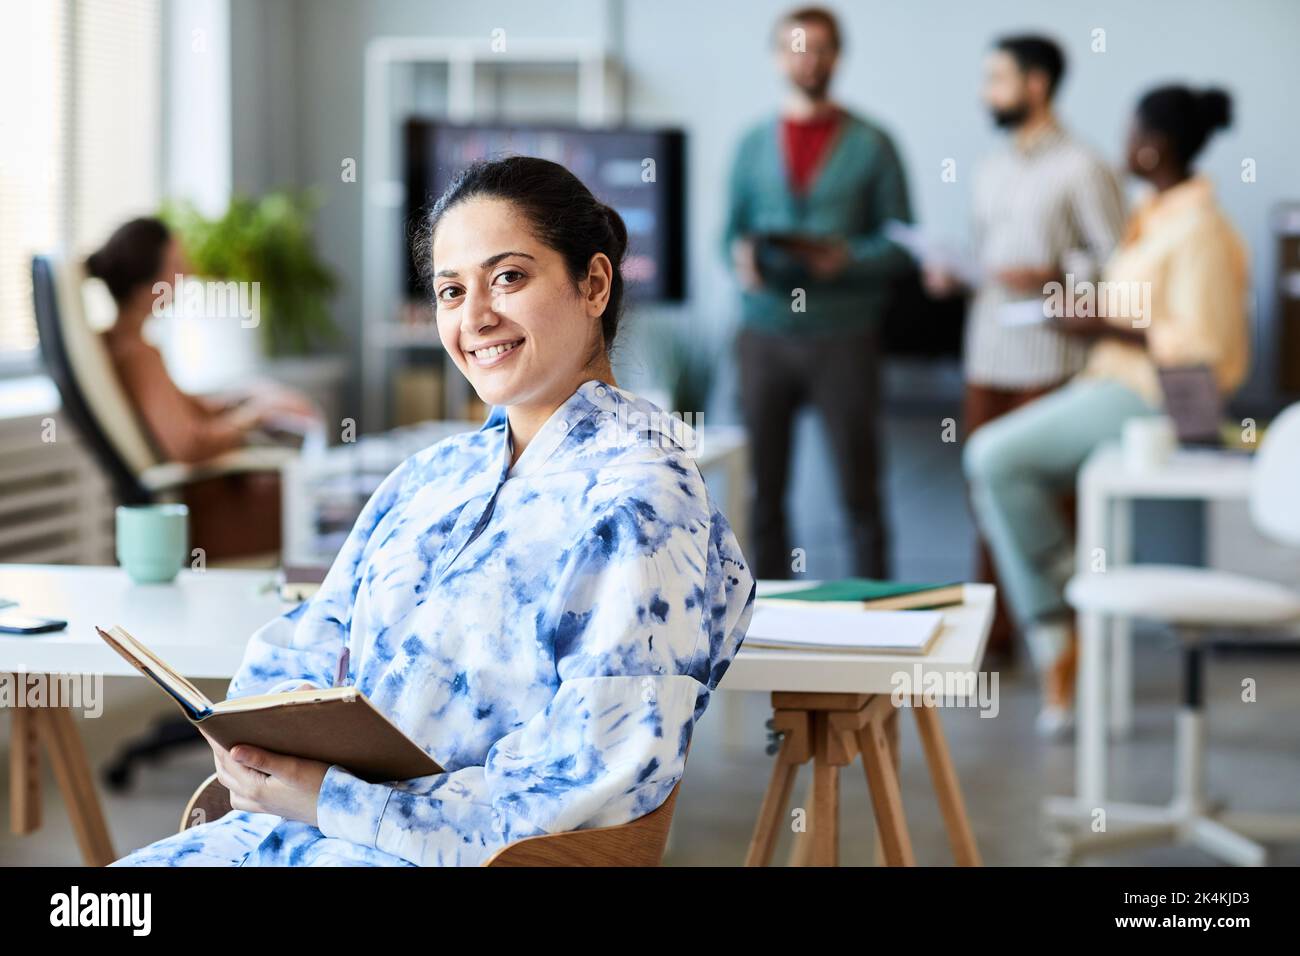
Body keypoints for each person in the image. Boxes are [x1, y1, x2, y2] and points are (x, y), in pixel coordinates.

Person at [111, 156, 756, 866]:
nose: (475, 317)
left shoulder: (643, 501)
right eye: (452, 290)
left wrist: (332, 797)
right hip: (280, 834)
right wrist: (255, 751)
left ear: (593, 284)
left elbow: (586, 778)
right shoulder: (428, 478)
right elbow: (301, 644)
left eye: (508, 277)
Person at [963, 85, 1248, 737]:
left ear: (1154, 146)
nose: (1120, 145)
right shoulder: (1153, 216)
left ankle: (1063, 619)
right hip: (1108, 385)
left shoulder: (1200, 229)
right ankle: (1067, 622)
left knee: (994, 456)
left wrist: (1104, 327)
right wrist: (1089, 318)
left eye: (1128, 132)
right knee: (995, 471)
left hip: (1150, 399)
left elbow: (1208, 347)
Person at [926, 35, 1126, 665]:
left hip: (1052, 361)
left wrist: (1054, 274)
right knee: (984, 495)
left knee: (1045, 504)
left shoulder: (1084, 166)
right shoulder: (991, 167)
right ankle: (996, 636)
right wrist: (953, 272)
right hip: (987, 354)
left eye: (998, 79)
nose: (988, 93)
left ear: (1036, 84)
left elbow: (1117, 264)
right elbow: (987, 258)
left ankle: (1067, 645)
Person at [723, 5, 913, 581]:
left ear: (838, 56)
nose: (809, 58)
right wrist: (739, 257)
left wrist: (848, 257)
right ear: (780, 56)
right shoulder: (752, 143)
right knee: (764, 493)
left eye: (821, 47)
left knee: (861, 492)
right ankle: (772, 623)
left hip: (845, 334)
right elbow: (728, 234)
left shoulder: (874, 144)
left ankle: (880, 621)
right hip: (764, 334)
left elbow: (904, 244)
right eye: (797, 47)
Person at [88, 218, 320, 558]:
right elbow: (188, 444)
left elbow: (186, 409)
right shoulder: (139, 355)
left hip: (209, 498)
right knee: (330, 499)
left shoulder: (127, 344)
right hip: (210, 512)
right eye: (178, 265)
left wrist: (247, 400)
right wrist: (252, 417)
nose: (190, 273)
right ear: (148, 282)